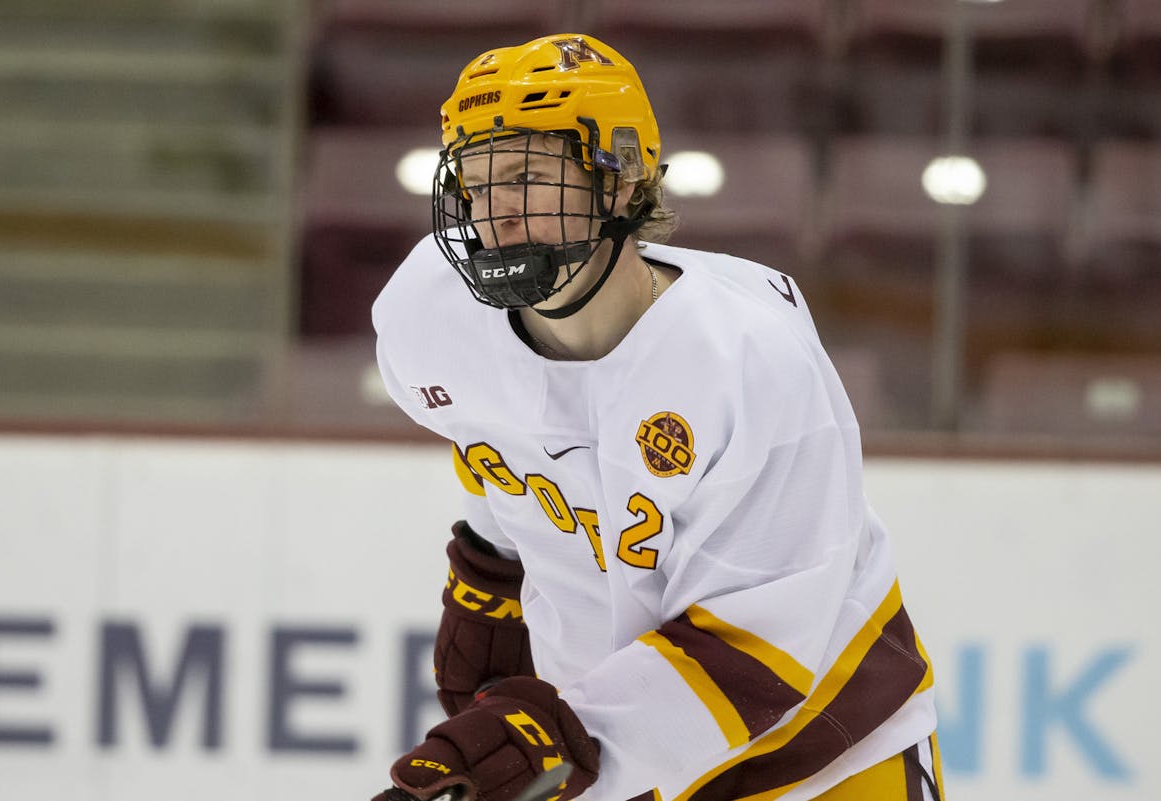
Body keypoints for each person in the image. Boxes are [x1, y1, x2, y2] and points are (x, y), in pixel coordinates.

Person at [370, 33, 943, 801]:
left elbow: (756, 655)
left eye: (529, 176)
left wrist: (560, 740)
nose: (496, 211)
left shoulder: (749, 364)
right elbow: (495, 433)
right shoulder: (426, 316)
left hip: (823, 754)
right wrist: (491, 567)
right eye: (475, 183)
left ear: (619, 179)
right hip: (621, 745)